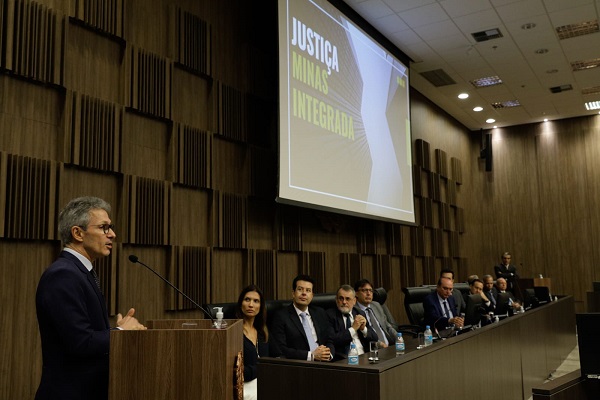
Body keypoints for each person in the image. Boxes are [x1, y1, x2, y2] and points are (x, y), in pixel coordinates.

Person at [35, 196, 146, 400]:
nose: (112, 234)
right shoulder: (63, 274)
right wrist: (121, 333)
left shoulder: (78, 272)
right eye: (104, 227)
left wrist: (114, 331)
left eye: (110, 227)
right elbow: (81, 343)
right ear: (78, 233)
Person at [269, 275, 334, 361]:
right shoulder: (281, 316)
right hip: (300, 365)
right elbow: (281, 349)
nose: (304, 293)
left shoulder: (320, 313)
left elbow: (329, 339)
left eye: (308, 290)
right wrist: (311, 356)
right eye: (300, 289)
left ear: (312, 295)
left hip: (324, 362)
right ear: (293, 293)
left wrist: (328, 354)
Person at [326, 285, 378, 360]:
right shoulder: (330, 315)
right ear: (336, 300)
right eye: (341, 298)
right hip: (345, 359)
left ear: (354, 301)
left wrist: (363, 329)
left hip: (364, 356)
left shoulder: (359, 313)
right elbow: (332, 340)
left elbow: (375, 338)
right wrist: (353, 329)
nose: (344, 302)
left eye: (347, 299)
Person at [236, 285, 269, 400]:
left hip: (264, 383)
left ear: (261, 306)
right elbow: (237, 371)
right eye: (247, 300)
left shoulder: (263, 332)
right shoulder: (234, 332)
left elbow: (275, 358)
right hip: (245, 388)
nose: (251, 305)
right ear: (241, 304)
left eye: (256, 301)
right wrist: (262, 368)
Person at [354, 279, 397, 347]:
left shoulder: (376, 305)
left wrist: (398, 337)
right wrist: (379, 344)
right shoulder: (354, 310)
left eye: (370, 290)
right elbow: (362, 335)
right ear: (356, 293)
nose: (368, 293)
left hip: (389, 346)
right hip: (373, 348)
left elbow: (387, 326)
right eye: (364, 290)